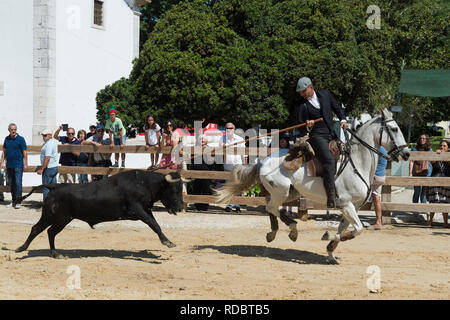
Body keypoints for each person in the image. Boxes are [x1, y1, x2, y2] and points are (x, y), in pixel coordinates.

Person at [293, 77, 348, 209]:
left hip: (332, 134)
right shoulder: (302, 105)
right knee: (328, 161)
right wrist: (308, 125)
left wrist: (343, 119)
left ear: (311, 87)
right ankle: (331, 197)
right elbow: (300, 126)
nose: (301, 94)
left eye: (303, 91)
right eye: (300, 92)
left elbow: (337, 108)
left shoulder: (326, 94)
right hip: (317, 136)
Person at [220, 122, 246, 213]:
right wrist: (223, 147)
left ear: (234, 129)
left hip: (238, 165)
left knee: (238, 185)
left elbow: (243, 152)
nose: (228, 130)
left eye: (230, 128)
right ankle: (229, 205)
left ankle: (237, 205)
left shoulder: (240, 139)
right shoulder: (222, 139)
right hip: (227, 165)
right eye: (227, 128)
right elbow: (220, 149)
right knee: (228, 186)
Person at [0, 123, 28, 208]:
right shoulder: (7, 139)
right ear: (9, 130)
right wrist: (1, 162)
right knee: (12, 184)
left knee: (18, 183)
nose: (13, 131)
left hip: (18, 165)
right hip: (9, 165)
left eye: (15, 129)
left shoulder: (21, 139)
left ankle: (18, 202)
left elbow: (25, 152)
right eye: (12, 129)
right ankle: (13, 201)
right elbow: (4, 152)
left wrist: (25, 164)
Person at [426, 139, 449, 228]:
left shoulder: (449, 156)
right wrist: (436, 155)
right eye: (441, 146)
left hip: (446, 182)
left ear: (448, 148)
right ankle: (430, 221)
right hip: (435, 181)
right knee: (433, 201)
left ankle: (445, 222)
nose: (442, 147)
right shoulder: (436, 155)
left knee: (445, 202)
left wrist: (445, 156)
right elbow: (431, 161)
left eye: (444, 146)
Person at [190, 134, 213, 211]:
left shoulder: (210, 148)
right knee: (197, 188)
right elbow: (192, 160)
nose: (202, 141)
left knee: (205, 188)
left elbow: (211, 161)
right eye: (201, 139)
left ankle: (205, 205)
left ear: (206, 141)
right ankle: (197, 205)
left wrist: (207, 152)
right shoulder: (194, 148)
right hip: (196, 171)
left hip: (206, 171)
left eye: (204, 139)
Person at [409, 133, 433, 204]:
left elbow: (432, 161)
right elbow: (411, 161)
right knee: (417, 191)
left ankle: (424, 208)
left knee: (424, 192)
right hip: (417, 172)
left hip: (427, 173)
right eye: (420, 138)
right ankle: (415, 209)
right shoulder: (415, 149)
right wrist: (410, 173)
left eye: (423, 138)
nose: (422, 140)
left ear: (427, 140)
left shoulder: (430, 149)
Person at [368, 146, 388, 230]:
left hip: (375, 176)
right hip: (381, 175)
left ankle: (378, 221)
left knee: (375, 198)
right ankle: (378, 221)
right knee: (376, 198)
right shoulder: (384, 150)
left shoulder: (377, 149)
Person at [37, 129, 59, 201]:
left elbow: (47, 157)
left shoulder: (49, 144)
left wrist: (42, 169)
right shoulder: (54, 142)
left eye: (45, 135)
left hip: (48, 168)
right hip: (54, 167)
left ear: (50, 135)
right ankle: (54, 205)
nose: (44, 137)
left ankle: (46, 206)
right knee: (53, 188)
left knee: (46, 188)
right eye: (43, 136)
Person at [278, 135, 293, 216]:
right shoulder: (279, 151)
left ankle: (290, 209)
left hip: (288, 172)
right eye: (281, 142)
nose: (282, 143)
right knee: (283, 191)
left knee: (289, 191)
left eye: (283, 141)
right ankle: (284, 207)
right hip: (281, 172)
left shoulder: (290, 151)